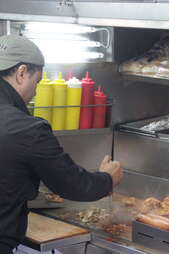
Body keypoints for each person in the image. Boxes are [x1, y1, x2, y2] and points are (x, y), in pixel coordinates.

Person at [0, 35, 123, 253]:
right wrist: (107, 179)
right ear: (21, 73)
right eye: (36, 81)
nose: (35, 92)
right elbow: (72, 184)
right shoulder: (26, 129)